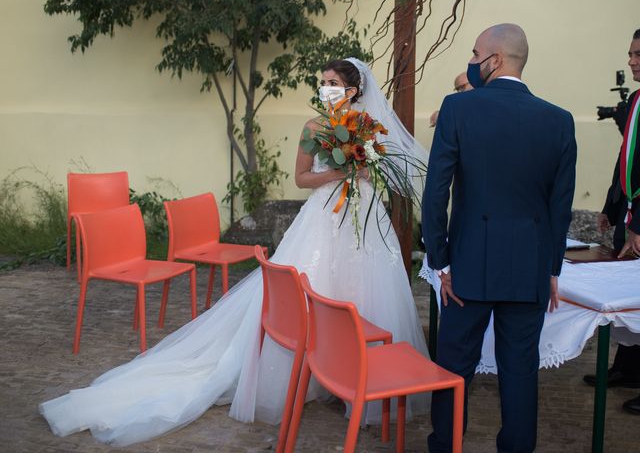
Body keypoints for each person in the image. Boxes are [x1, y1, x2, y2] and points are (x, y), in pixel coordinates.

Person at [38, 58, 430, 447]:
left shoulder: (368, 127)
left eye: (333, 82)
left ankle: (355, 381)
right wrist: (340, 173)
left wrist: (367, 165)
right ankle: (304, 379)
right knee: (312, 294)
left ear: (353, 90)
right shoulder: (313, 127)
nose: (325, 88)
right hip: (324, 217)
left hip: (361, 217)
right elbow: (302, 177)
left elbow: (382, 168)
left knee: (362, 293)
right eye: (322, 81)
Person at [423, 23, 576, 452]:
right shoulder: (560, 120)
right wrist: (551, 270)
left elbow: (436, 191)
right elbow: (559, 208)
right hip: (529, 266)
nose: (471, 63)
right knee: (520, 371)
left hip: (468, 264)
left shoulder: (457, 110)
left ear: (496, 60)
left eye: (474, 54)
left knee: (455, 367)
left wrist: (441, 262)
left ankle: (446, 446)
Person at [584, 28, 640, 415]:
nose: (631, 60)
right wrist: (611, 205)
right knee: (629, 294)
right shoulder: (636, 99)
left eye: (637, 54)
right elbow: (628, 158)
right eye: (631, 53)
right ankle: (628, 367)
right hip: (630, 211)